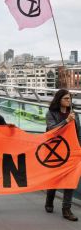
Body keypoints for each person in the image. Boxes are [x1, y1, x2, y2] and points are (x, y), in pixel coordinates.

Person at [45, 89, 80, 221]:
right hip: (55, 151)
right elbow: (52, 130)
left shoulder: (73, 114)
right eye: (66, 98)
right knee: (54, 178)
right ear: (59, 99)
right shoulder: (51, 114)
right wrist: (66, 122)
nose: (68, 100)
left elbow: (78, 132)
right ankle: (49, 201)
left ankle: (66, 209)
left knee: (70, 180)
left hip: (71, 152)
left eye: (69, 98)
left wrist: (79, 148)